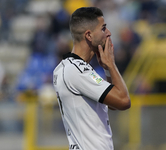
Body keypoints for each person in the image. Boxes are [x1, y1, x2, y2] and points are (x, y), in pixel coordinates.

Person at [53, 7, 131, 150]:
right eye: (103, 28)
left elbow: (113, 104)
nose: (109, 33)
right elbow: (124, 101)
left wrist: (107, 70)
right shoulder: (76, 71)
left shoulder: (70, 68)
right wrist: (112, 65)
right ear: (89, 35)